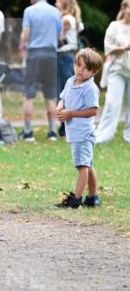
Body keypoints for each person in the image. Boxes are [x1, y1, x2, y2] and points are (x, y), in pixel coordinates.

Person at [55, 47, 103, 208]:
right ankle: (92, 197)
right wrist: (60, 106)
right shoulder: (71, 81)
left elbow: (93, 110)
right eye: (78, 65)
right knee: (87, 164)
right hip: (75, 133)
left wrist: (70, 113)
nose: (80, 70)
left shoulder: (90, 88)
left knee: (82, 166)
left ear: (94, 72)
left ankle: (76, 199)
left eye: (85, 68)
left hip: (83, 134)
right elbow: (63, 97)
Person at [20, 0, 63, 142]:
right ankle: (52, 131)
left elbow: (25, 36)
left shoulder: (29, 11)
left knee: (29, 94)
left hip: (34, 54)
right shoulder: (55, 12)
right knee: (50, 95)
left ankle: (28, 132)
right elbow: (60, 37)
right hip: (51, 55)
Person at [95, 0, 130, 144]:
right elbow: (108, 50)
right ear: (124, 8)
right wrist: (123, 48)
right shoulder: (114, 26)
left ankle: (128, 136)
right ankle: (103, 136)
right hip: (117, 70)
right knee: (112, 103)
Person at [55, 0, 84, 137]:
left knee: (64, 91)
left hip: (63, 56)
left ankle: (65, 126)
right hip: (68, 56)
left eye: (58, 1)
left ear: (64, 3)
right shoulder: (73, 18)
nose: (55, 3)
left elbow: (59, 39)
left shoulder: (66, 19)